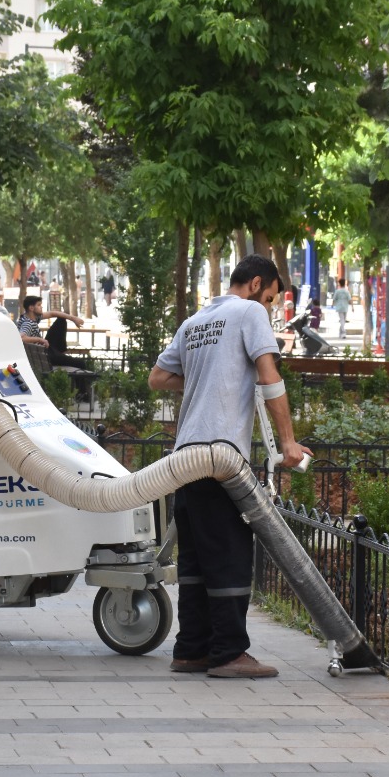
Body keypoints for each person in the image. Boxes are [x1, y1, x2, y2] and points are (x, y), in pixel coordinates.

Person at [147, 254, 303, 680]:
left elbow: (157, 377)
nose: (269, 307)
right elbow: (270, 378)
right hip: (221, 456)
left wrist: (213, 375)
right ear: (256, 284)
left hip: (185, 457)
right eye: (270, 298)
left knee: (196, 560)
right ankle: (229, 653)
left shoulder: (195, 321)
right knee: (230, 554)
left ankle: (191, 651)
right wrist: (288, 442)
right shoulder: (249, 313)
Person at [15, 295, 85, 369]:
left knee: (61, 320)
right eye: (39, 305)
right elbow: (22, 338)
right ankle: (59, 355)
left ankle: (60, 351)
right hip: (44, 354)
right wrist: (40, 340)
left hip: (44, 348)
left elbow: (52, 313)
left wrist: (73, 319)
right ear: (31, 308)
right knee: (80, 363)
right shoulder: (27, 323)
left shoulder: (31, 317)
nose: (41, 307)